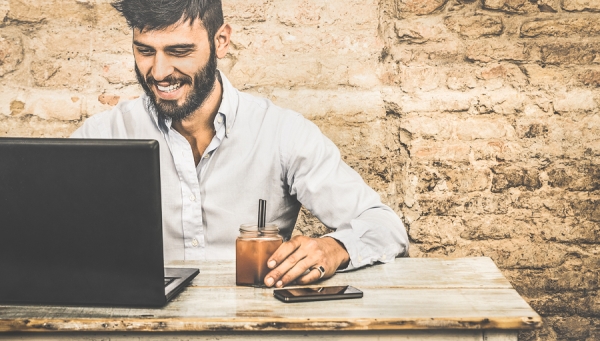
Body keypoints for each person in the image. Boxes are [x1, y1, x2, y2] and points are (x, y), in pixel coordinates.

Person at [72, 0, 409, 288]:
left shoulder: (281, 133)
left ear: (221, 41)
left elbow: (385, 227)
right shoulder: (103, 135)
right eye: (145, 50)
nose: (159, 72)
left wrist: (334, 248)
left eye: (179, 51)